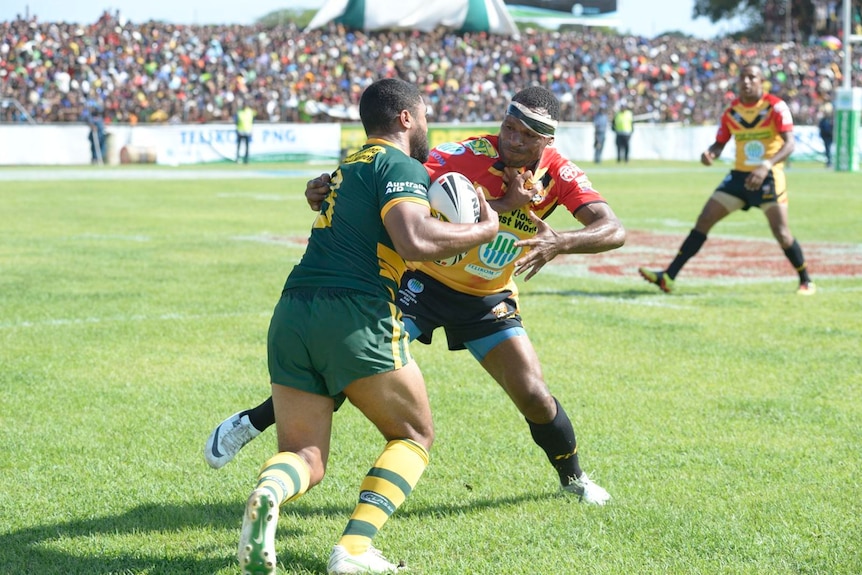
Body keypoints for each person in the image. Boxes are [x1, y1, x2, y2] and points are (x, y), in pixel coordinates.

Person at [207, 86, 626, 507]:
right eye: (509, 127)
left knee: (533, 392)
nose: (513, 140)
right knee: (355, 366)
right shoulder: (465, 154)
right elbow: (392, 179)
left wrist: (562, 242)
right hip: (421, 285)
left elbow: (613, 229)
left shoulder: (561, 174)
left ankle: (574, 478)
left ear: (547, 142)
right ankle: (252, 422)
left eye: (526, 136)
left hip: (487, 295)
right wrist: (327, 187)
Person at [236, 77, 499, 575]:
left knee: (304, 457)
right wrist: (483, 230)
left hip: (293, 311)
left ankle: (269, 491)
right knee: (414, 435)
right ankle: (354, 550)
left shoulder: (346, 166)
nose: (426, 125)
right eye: (423, 115)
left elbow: (334, 203)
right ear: (405, 118)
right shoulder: (400, 164)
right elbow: (414, 239)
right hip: (355, 312)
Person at [638, 64, 816, 296]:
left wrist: (765, 165)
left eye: (752, 77)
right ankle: (669, 276)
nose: (747, 82)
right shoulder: (732, 111)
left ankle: (806, 280)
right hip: (739, 177)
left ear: (761, 81)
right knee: (704, 220)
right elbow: (721, 142)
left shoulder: (775, 107)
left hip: (768, 176)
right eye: (743, 77)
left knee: (781, 233)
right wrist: (711, 153)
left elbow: (790, 143)